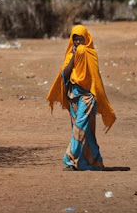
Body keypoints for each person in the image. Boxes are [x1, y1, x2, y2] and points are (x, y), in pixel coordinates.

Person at [46, 25, 116, 171]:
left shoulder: (90, 53)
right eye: (75, 40)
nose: (77, 43)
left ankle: (70, 158)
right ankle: (94, 162)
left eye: (80, 39)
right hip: (73, 97)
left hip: (88, 97)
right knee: (87, 132)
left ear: (87, 39)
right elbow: (64, 74)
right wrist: (73, 59)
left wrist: (80, 53)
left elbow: (93, 79)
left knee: (80, 127)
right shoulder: (70, 54)